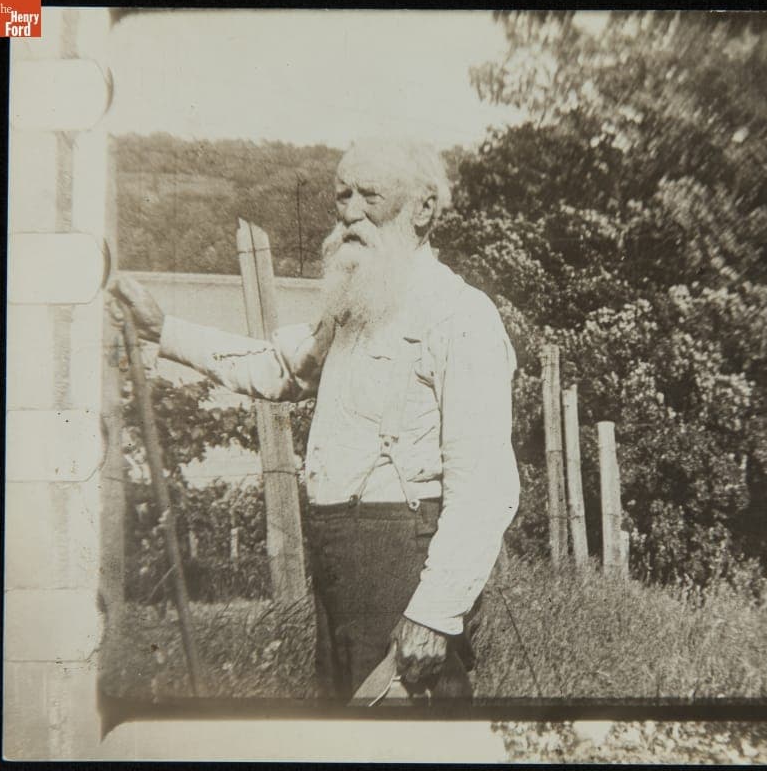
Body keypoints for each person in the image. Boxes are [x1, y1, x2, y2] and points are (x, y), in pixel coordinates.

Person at [111, 137, 520, 704]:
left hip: (401, 563)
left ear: (424, 208)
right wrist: (164, 332)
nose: (349, 211)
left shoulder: (461, 314)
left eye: (369, 195)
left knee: (411, 743)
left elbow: (485, 488)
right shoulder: (359, 304)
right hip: (338, 562)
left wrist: (434, 613)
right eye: (342, 194)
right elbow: (282, 367)